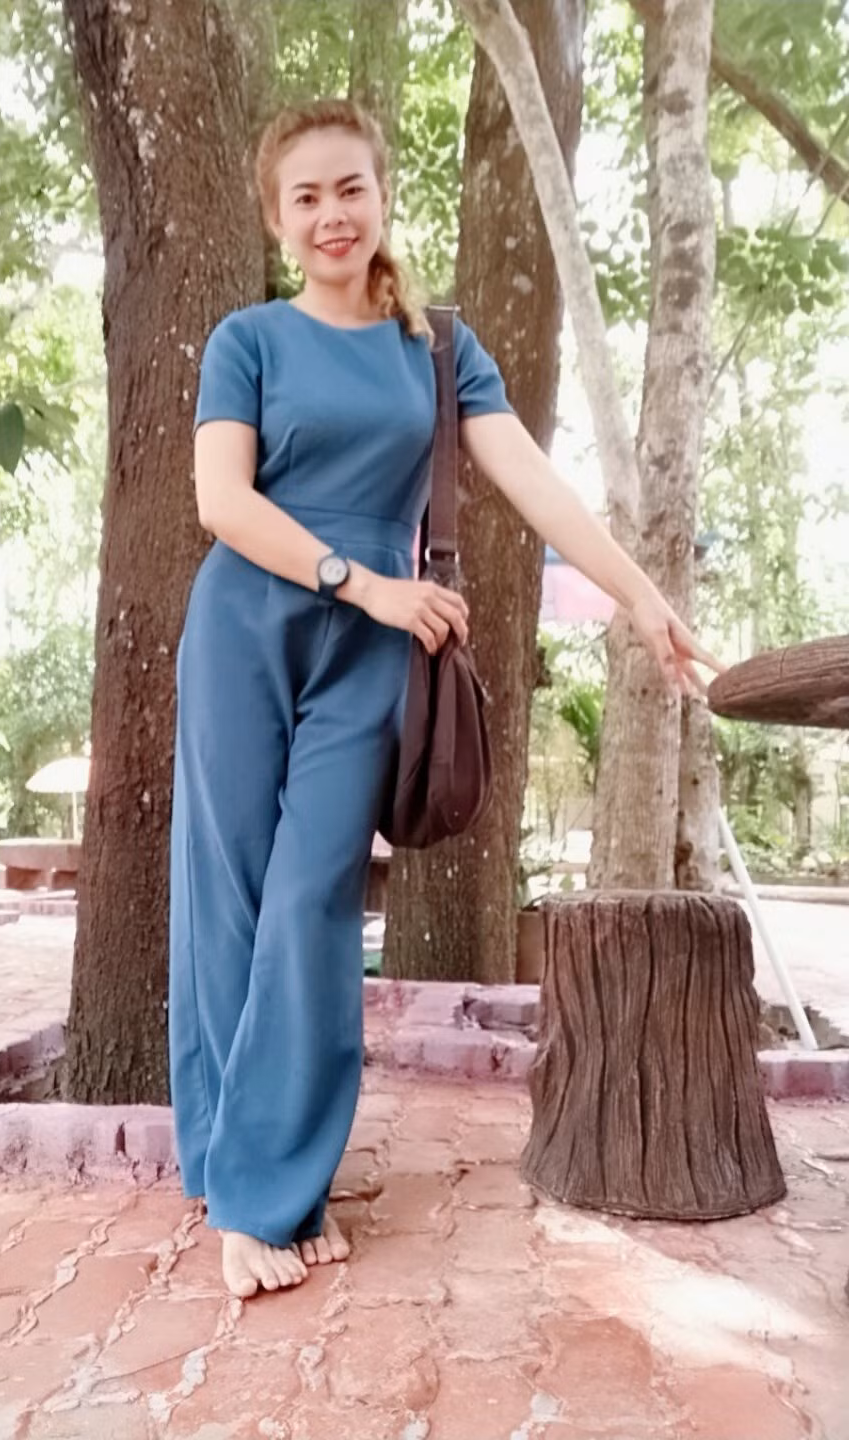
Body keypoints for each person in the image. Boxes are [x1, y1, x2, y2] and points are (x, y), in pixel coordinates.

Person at [168, 98, 721, 1301]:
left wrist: (642, 599)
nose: (331, 214)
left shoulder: (436, 347)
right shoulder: (247, 339)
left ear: (381, 198)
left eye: (350, 189)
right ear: (276, 217)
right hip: (250, 626)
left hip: (375, 654)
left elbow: (535, 481)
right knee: (229, 893)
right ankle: (233, 1176)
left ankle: (271, 1188)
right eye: (306, 196)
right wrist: (362, 581)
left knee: (313, 903)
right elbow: (222, 501)